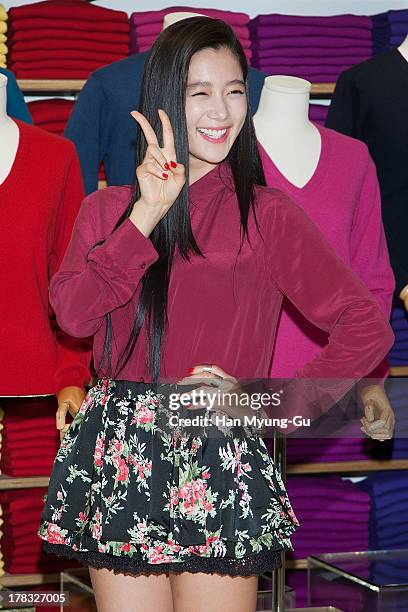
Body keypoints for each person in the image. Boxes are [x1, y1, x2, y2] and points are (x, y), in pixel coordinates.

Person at [38, 18, 393, 612]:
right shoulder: (108, 210)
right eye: (199, 91)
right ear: (163, 99)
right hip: (121, 451)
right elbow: (73, 315)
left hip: (221, 445)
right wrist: (146, 216)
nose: (221, 110)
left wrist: (272, 403)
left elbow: (365, 322)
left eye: (234, 90)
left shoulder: (267, 214)